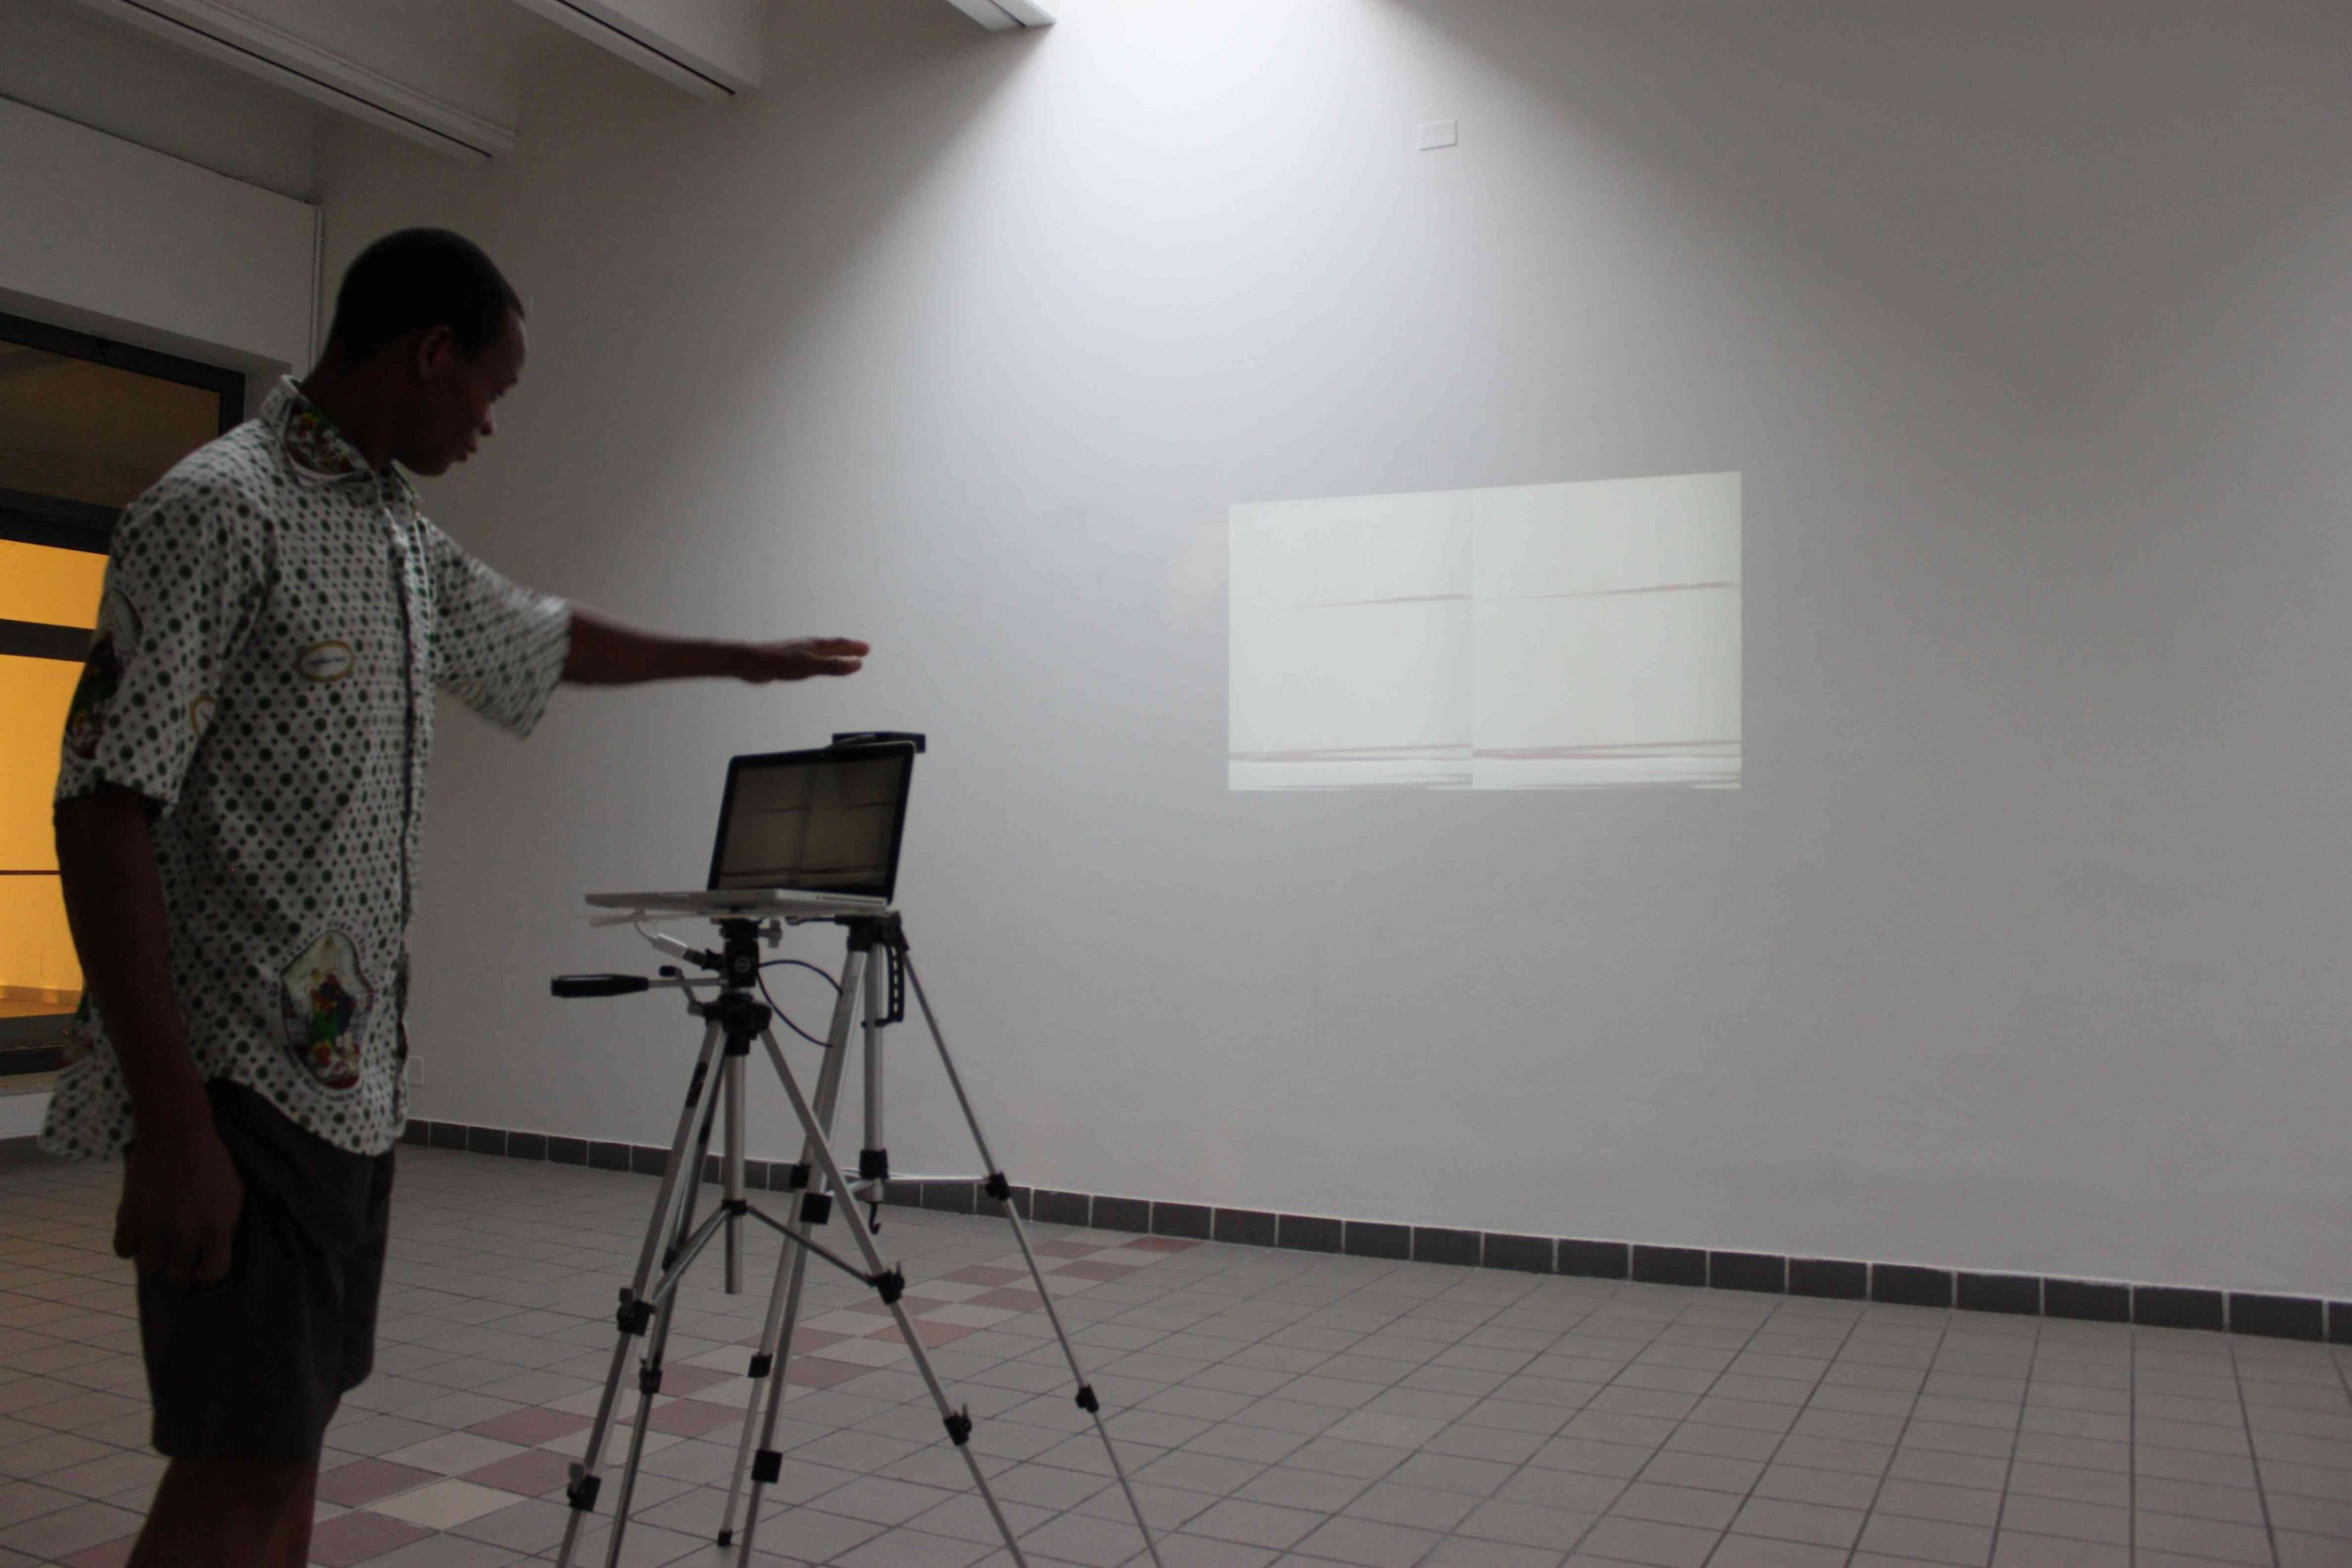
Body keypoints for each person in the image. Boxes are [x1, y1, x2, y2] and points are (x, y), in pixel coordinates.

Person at [43, 228, 869, 1568]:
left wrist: (743, 658)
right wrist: (176, 1132)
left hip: (345, 1081)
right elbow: (100, 808)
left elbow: (538, 639)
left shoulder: (391, 531)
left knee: (286, 1447)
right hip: (236, 1085)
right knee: (235, 1471)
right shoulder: (220, 512)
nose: (491, 421)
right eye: (493, 387)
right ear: (432, 355)